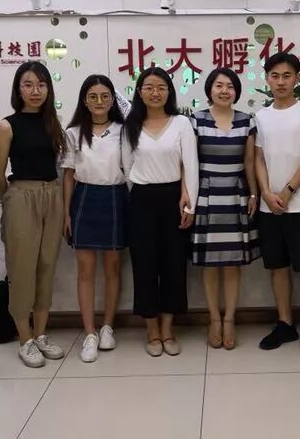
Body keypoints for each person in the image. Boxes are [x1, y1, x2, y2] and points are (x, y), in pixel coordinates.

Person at [255, 52, 300, 361]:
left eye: (287, 75)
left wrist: (286, 191)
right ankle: (285, 323)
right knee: (277, 267)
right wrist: (266, 193)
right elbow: (258, 158)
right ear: (267, 79)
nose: (281, 81)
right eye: (275, 76)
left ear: (297, 78)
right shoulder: (261, 116)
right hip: (269, 206)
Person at [122, 67, 198, 357]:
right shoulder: (131, 126)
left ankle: (168, 329)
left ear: (169, 92)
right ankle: (151, 330)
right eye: (149, 87)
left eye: (161, 88)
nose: (155, 93)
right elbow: (127, 168)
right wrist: (140, 192)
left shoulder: (181, 123)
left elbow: (190, 164)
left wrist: (189, 202)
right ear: (140, 92)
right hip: (141, 200)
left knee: (173, 266)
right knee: (144, 267)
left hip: (174, 199)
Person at [0, 61, 66, 368]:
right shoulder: (7, 125)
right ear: (18, 89)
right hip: (21, 196)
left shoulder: (53, 123)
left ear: (48, 88)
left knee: (47, 265)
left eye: (41, 85)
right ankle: (24, 339)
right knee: (22, 269)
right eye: (28, 85)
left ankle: (40, 335)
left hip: (53, 195)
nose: (35, 91)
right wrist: (12, 199)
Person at [191, 68, 260, 350]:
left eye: (230, 86)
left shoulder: (246, 120)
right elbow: (189, 162)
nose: (224, 91)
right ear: (210, 89)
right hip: (206, 195)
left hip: (235, 194)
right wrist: (189, 196)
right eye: (219, 85)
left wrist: (253, 193)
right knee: (210, 264)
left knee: (232, 262)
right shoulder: (196, 120)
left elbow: (250, 162)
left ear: (236, 91)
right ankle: (214, 319)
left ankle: (229, 319)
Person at [61, 75, 128, 363]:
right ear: (84, 101)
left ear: (113, 100)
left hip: (116, 197)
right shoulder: (73, 133)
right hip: (84, 199)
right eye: (93, 96)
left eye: (105, 96)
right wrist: (66, 212)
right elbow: (68, 175)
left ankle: (107, 327)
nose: (99, 101)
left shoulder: (124, 131)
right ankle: (89, 332)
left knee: (113, 268)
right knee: (85, 271)